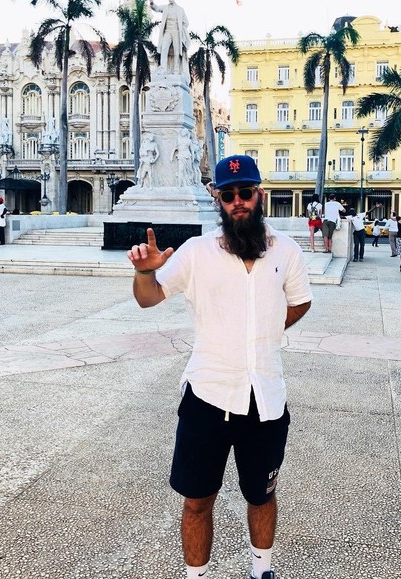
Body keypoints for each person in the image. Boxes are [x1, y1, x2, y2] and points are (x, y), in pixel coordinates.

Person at [127, 154, 312, 579]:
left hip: (265, 400)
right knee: (196, 501)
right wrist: (144, 273)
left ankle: (261, 572)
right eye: (228, 196)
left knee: (261, 495)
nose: (237, 202)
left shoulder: (287, 250)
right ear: (219, 200)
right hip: (207, 398)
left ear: (259, 195)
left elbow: (301, 301)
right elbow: (148, 298)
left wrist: (265, 329)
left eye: (245, 192)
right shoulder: (196, 252)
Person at [150, 0, 190, 80]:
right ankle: (163, 68)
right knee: (164, 50)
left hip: (176, 32)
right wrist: (152, 3)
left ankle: (176, 70)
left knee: (176, 51)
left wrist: (181, 27)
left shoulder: (180, 9)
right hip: (167, 31)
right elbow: (157, 8)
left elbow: (186, 22)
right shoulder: (165, 7)